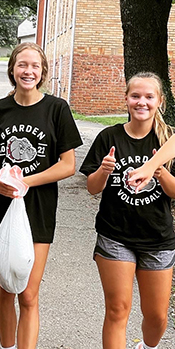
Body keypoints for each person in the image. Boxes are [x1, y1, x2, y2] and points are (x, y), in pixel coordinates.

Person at [0, 42, 82, 349]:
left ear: (43, 72)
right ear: (12, 69)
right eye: (22, 65)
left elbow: (68, 165)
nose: (28, 71)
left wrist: (26, 182)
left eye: (35, 66)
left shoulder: (56, 109)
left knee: (28, 292)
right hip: (2, 205)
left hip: (38, 207)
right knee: (6, 289)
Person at [80, 72, 175, 349]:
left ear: (160, 101)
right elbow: (92, 188)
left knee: (157, 317)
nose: (141, 102)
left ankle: (146, 347)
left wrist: (158, 172)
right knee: (117, 310)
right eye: (135, 96)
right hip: (115, 235)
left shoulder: (168, 140)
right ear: (126, 99)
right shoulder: (109, 136)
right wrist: (104, 170)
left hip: (158, 239)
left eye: (149, 97)